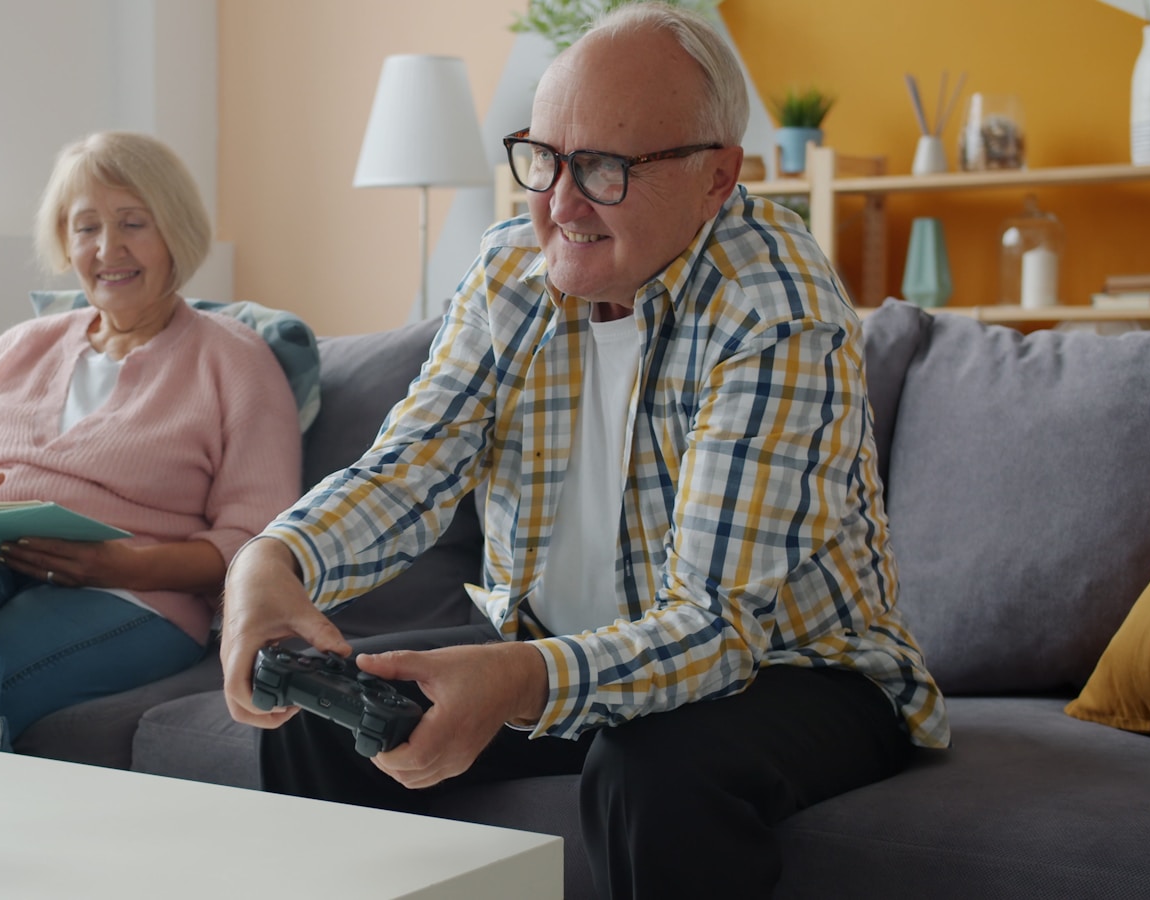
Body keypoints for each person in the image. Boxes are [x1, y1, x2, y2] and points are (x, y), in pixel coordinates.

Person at [219, 5, 949, 898]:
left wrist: (517, 678)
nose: (559, 204)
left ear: (718, 177)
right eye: (544, 157)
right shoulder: (510, 273)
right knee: (319, 719)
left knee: (653, 770)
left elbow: (717, 631)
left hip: (797, 671)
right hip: (562, 648)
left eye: (605, 169)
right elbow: (412, 467)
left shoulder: (775, 310)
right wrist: (272, 559)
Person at [0, 131, 301, 752]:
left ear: (176, 230)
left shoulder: (234, 360)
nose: (107, 248)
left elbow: (260, 541)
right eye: (86, 227)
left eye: (132, 223)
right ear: (65, 243)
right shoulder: (18, 347)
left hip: (134, 594)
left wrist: (119, 564)